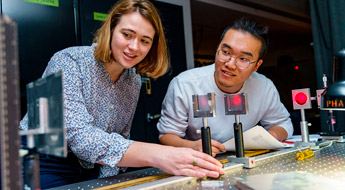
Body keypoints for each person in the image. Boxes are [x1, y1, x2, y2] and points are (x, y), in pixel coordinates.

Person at [19, 0, 224, 188]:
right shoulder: (68, 60)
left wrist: (106, 182)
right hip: (42, 158)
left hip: (90, 165)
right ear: (110, 30)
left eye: (145, 41)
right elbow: (81, 139)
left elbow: (120, 136)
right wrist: (159, 154)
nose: (134, 47)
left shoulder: (133, 80)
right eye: (127, 35)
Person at [157, 18, 294, 157]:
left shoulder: (264, 87)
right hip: (200, 160)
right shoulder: (185, 84)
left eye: (243, 59)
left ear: (257, 66)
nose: (230, 64)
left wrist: (270, 137)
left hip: (245, 157)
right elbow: (167, 135)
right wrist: (192, 146)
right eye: (226, 52)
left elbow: (283, 123)